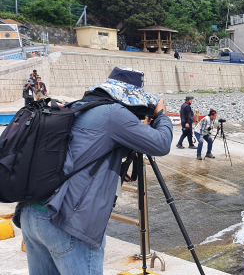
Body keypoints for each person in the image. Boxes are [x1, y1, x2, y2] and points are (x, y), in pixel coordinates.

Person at [14, 66, 172, 275]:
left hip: (31, 213)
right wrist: (161, 116)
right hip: (66, 222)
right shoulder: (114, 113)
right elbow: (161, 144)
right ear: (129, 97)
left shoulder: (79, 106)